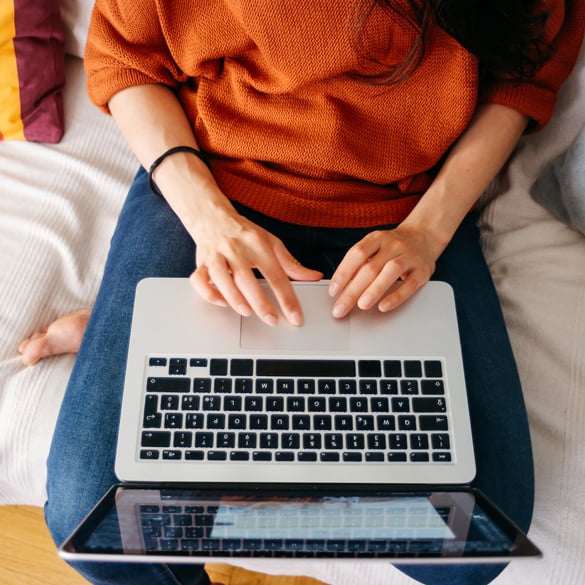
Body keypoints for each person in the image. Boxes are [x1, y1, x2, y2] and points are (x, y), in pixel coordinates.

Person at [30, 1, 583, 584]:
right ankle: (146, 329)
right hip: (214, 183)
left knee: (474, 543)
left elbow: (520, 83)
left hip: (408, 208)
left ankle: (159, 333)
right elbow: (126, 61)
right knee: (93, 527)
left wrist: (428, 230)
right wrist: (213, 223)